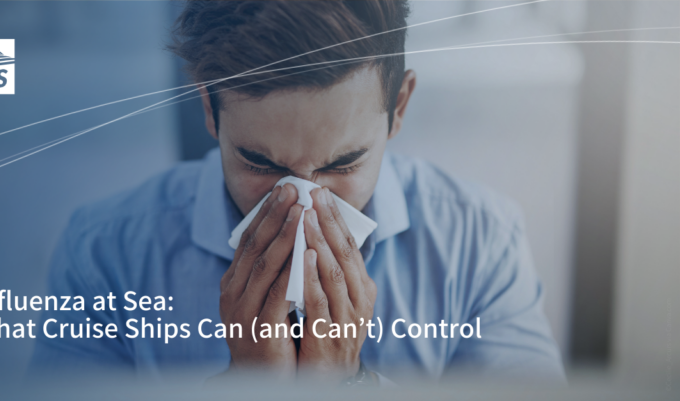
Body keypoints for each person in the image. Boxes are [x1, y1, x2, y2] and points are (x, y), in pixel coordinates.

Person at [30, 0, 565, 385]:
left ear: (398, 108)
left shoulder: (479, 242)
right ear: (208, 110)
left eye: (343, 162)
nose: (304, 201)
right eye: (260, 162)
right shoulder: (105, 255)